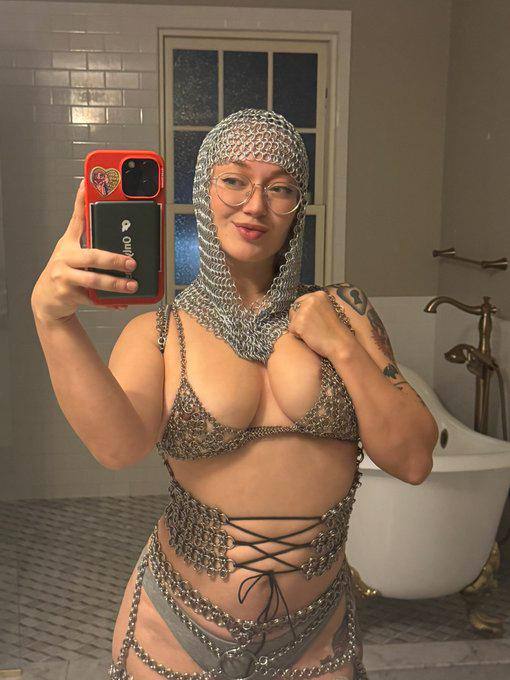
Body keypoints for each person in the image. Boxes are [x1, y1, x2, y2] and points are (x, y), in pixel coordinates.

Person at [31, 109, 438, 680]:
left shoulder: (346, 312)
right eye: (234, 180)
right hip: (174, 629)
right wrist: (53, 321)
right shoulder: (160, 333)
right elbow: (117, 449)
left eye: (281, 188)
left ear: (298, 207)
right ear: (204, 192)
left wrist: (342, 347)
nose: (255, 205)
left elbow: (414, 460)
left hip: (317, 636)